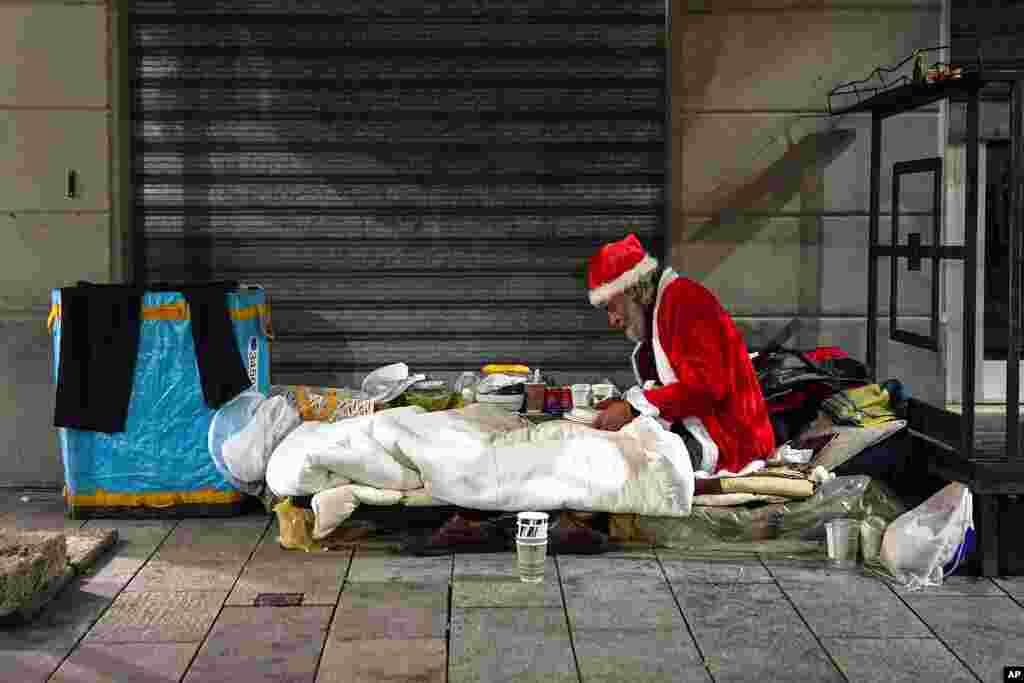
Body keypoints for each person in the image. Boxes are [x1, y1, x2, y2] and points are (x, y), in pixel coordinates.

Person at [587, 233, 775, 474]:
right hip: (707, 433)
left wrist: (633, 408)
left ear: (632, 289)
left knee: (618, 465)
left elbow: (707, 387)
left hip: (732, 443)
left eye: (610, 307)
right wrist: (626, 405)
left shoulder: (685, 301)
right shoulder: (664, 308)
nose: (612, 320)